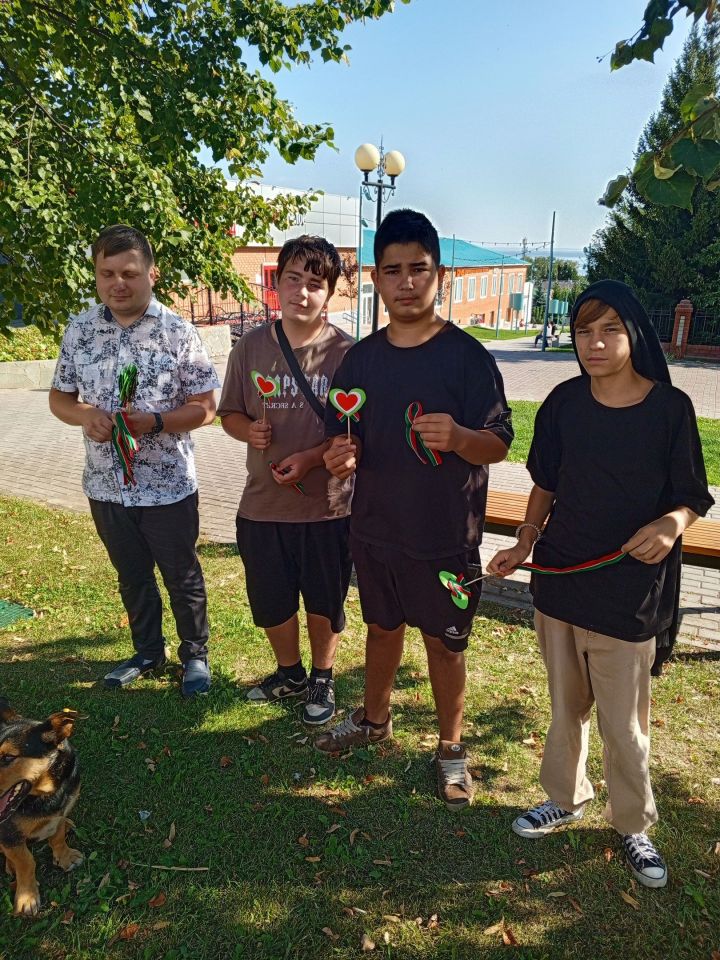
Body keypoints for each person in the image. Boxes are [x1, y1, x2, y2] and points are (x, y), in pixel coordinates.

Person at [488, 279, 714, 887]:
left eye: (610, 329)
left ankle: (632, 823)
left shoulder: (671, 409)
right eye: (584, 330)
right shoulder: (563, 402)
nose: (595, 342)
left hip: (628, 593)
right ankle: (565, 798)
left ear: (635, 334)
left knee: (624, 722)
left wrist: (671, 524)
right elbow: (546, 484)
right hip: (561, 584)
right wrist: (524, 542)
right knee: (566, 709)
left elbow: (694, 496)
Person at [314, 209, 513, 811]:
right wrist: (338, 457)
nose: (406, 283)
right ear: (375, 277)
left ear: (440, 275)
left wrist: (458, 437)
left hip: (446, 536)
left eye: (419, 270)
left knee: (446, 645)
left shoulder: (467, 358)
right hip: (374, 530)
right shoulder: (361, 362)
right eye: (393, 270)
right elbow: (336, 440)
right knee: (381, 628)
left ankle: (451, 749)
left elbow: (499, 442)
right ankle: (374, 721)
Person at [49, 225, 219, 697]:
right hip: (105, 484)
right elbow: (59, 398)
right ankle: (147, 651)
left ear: (152, 274)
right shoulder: (80, 330)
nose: (117, 283)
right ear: (97, 275)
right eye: (107, 273)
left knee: (181, 574)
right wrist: (85, 415)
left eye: (129, 272)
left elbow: (207, 406)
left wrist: (157, 422)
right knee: (132, 575)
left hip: (167, 485)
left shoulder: (178, 333)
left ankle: (195, 655)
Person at [218, 236, 354, 726]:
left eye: (314, 283)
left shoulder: (346, 354)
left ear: (330, 292)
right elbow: (228, 412)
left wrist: (314, 458)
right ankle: (289, 671)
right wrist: (247, 430)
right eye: (292, 280)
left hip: (328, 507)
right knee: (271, 600)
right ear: (276, 285)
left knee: (324, 597)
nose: (301, 292)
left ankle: (322, 675)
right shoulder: (251, 347)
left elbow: (358, 433)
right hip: (261, 504)